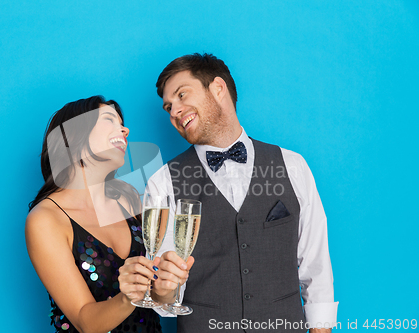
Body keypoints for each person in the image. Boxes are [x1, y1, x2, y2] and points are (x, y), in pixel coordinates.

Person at [148, 54, 338, 332]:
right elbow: (164, 299)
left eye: (182, 95)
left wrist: (321, 328)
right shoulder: (162, 181)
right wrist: (163, 289)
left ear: (218, 88)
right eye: (168, 107)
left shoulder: (292, 165)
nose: (174, 111)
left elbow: (315, 263)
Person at [25, 96, 166, 333]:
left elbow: (157, 298)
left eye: (122, 124)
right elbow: (85, 322)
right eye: (110, 120)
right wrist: (126, 297)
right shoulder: (46, 220)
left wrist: (169, 283)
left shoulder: (129, 198)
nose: (125, 130)